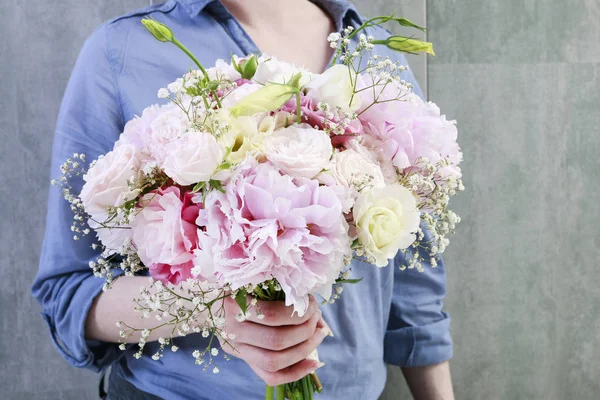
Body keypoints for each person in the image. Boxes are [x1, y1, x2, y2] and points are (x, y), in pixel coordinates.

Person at [32, 1, 455, 399]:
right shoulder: (123, 50)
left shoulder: (372, 52)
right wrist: (213, 309)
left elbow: (414, 281)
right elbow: (70, 292)